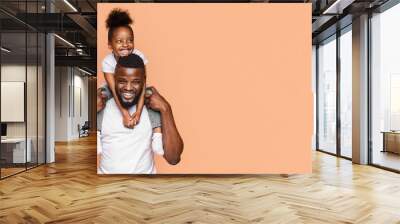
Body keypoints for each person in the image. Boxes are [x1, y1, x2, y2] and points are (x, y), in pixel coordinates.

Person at [98, 54, 184, 174]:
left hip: (144, 188)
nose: (128, 88)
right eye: (122, 81)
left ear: (144, 81)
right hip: (108, 188)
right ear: (114, 79)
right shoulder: (101, 103)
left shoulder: (152, 104)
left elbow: (173, 158)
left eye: (136, 82)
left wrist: (166, 109)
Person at [102, 8, 148, 129]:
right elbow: (114, 90)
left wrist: (138, 113)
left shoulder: (140, 56)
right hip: (113, 88)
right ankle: (99, 132)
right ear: (110, 45)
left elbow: (142, 85)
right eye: (119, 41)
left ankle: (157, 133)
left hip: (133, 86)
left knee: (151, 95)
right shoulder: (107, 62)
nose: (126, 44)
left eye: (130, 40)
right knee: (99, 97)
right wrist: (125, 114)